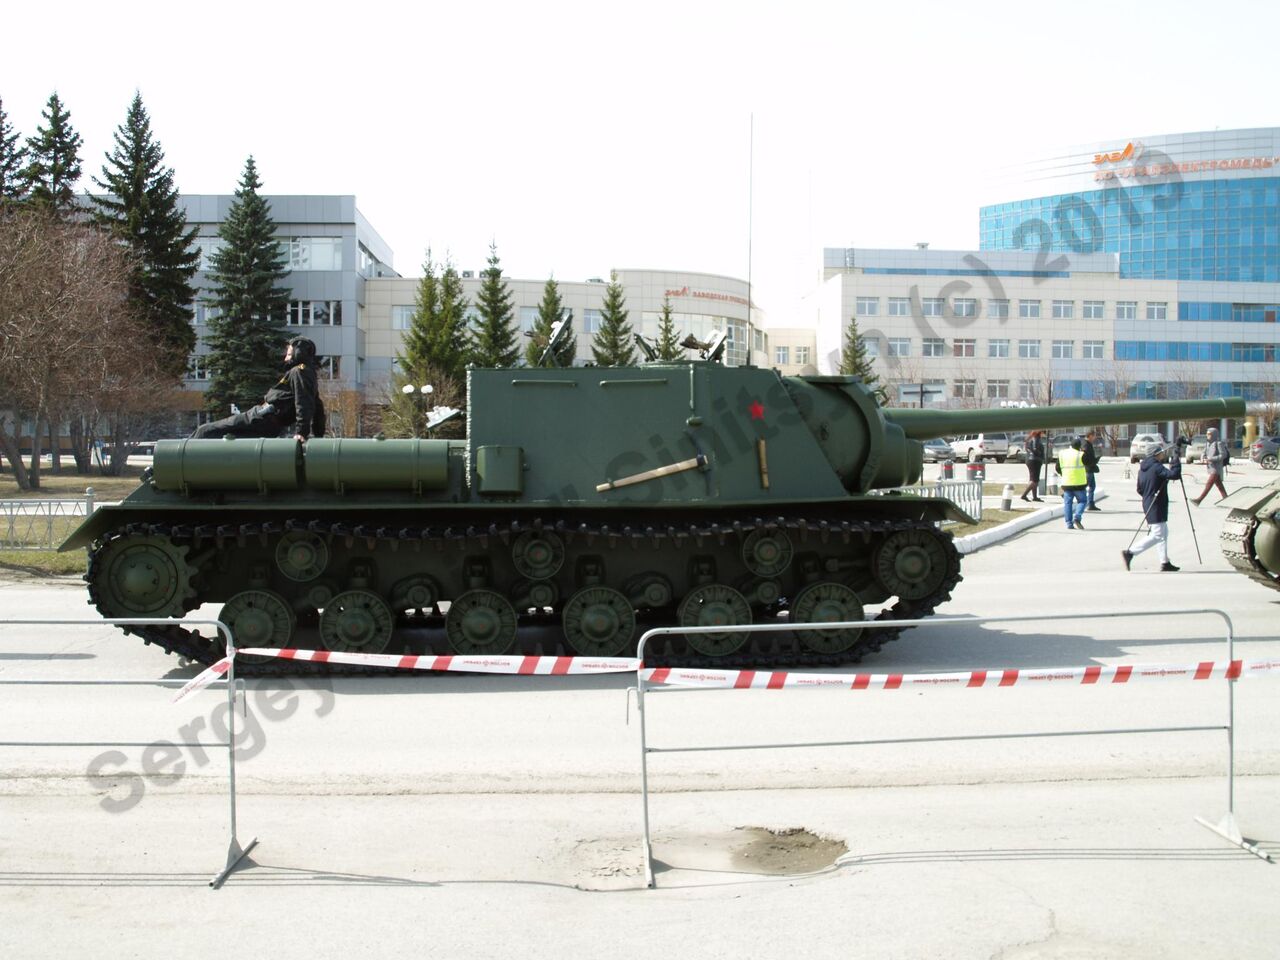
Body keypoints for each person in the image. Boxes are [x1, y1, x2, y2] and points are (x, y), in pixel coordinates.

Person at [191, 337, 325, 442]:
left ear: (298, 353)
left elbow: (303, 403)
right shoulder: (309, 374)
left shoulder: (299, 372)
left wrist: (301, 432)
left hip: (261, 418)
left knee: (204, 431)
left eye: (289, 355)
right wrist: (319, 434)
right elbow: (317, 406)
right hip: (267, 424)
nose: (285, 359)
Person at [1122, 441, 1182, 572]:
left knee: (1163, 532)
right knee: (1157, 534)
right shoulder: (1156, 466)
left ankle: (1165, 562)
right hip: (1156, 503)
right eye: (1161, 452)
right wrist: (1176, 460)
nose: (1162, 454)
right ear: (1155, 454)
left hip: (1149, 501)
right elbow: (1174, 475)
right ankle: (1130, 553)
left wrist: (1149, 495)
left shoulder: (1143, 467)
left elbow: (1139, 489)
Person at [1055, 435, 1088, 530]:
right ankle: (1077, 517)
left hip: (1066, 483)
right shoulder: (1081, 454)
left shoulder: (1062, 454)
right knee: (1082, 501)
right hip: (1079, 484)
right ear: (1079, 446)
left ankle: (1069, 523)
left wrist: (1064, 474)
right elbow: (1089, 463)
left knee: (1068, 504)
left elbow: (1057, 467)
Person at [1191, 427, 1228, 506]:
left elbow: (1223, 455)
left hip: (1216, 468)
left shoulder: (1219, 443)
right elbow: (1203, 453)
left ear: (1214, 435)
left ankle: (1199, 500)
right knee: (1219, 486)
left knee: (1209, 484)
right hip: (1210, 467)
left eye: (1209, 434)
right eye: (1207, 434)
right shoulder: (1208, 444)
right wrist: (1202, 458)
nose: (1207, 436)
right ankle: (1226, 499)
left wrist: (1211, 459)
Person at [1020, 430, 1046, 503]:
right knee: (1034, 480)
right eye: (1043, 432)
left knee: (1035, 479)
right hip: (1035, 460)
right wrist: (1040, 454)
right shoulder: (1036, 439)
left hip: (1032, 460)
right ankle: (1024, 495)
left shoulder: (1032, 439)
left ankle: (1035, 497)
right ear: (1040, 433)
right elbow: (1035, 449)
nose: (1044, 434)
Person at [1082, 430, 1101, 511]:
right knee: (1084, 487)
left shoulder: (1088, 444)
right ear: (1090, 436)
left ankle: (1091, 504)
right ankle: (1083, 504)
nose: (1094, 437)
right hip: (1088, 469)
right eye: (1094, 436)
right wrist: (1094, 461)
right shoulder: (1086, 445)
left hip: (1090, 468)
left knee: (1092, 487)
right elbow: (1085, 459)